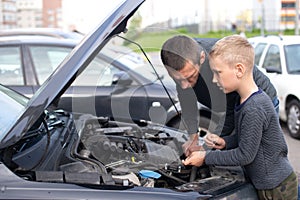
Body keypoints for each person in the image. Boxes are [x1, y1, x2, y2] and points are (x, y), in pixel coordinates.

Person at [182, 35, 298, 199]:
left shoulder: (254, 108)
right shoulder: (244, 102)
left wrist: (206, 157)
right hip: (267, 182)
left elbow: (245, 154)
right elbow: (248, 138)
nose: (213, 79)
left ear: (239, 70)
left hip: (277, 187)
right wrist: (226, 142)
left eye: (218, 73)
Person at [160, 35, 278, 157]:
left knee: (259, 157)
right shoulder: (180, 58)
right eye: (178, 80)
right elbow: (187, 102)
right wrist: (193, 138)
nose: (184, 86)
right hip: (231, 107)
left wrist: (206, 151)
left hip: (255, 103)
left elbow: (229, 115)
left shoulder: (219, 62)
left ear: (202, 58)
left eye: (190, 77)